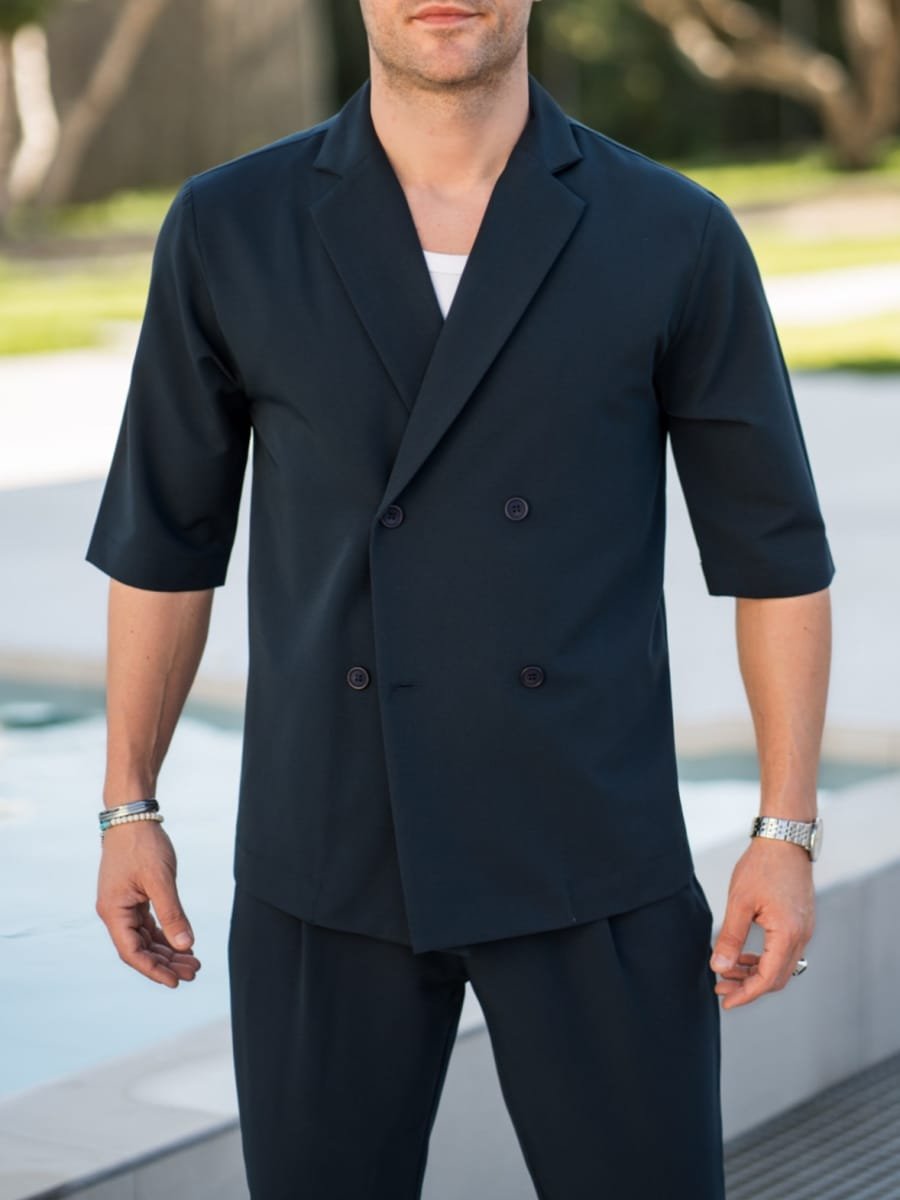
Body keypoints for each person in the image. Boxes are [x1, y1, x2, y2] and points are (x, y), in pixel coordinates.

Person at [88, 2, 834, 1197]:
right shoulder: (230, 225)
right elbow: (165, 541)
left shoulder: (673, 231)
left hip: (592, 849)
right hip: (324, 850)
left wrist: (783, 832)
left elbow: (777, 559)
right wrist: (129, 804)